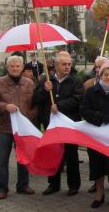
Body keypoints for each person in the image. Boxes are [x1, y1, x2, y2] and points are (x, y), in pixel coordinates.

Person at [0, 55, 37, 199]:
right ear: (7, 68)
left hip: (22, 128)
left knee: (24, 158)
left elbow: (35, 104)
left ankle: (23, 185)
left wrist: (30, 116)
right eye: (12, 66)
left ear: (22, 68)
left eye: (18, 66)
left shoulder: (29, 83)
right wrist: (4, 106)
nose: (15, 68)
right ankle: (1, 188)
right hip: (3, 127)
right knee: (2, 160)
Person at [33, 51, 84, 196]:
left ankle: (73, 185)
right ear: (56, 65)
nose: (67, 67)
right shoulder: (46, 80)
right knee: (54, 153)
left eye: (69, 64)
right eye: (64, 64)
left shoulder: (75, 81)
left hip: (69, 123)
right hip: (52, 124)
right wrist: (44, 89)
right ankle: (53, 184)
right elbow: (36, 99)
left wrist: (60, 106)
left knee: (71, 154)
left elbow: (79, 98)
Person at [80, 60, 109, 208]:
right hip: (96, 134)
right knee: (97, 164)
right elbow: (84, 110)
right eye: (105, 74)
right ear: (100, 75)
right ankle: (99, 193)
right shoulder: (91, 91)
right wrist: (99, 117)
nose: (108, 77)